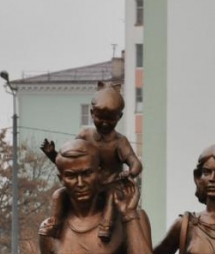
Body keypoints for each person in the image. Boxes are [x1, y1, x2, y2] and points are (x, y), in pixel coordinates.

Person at [40, 81, 143, 242]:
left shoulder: (119, 142)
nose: (104, 123)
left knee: (111, 195)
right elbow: (69, 163)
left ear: (119, 117)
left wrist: (129, 173)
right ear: (91, 113)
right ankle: (56, 223)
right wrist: (52, 154)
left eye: (110, 119)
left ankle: (106, 225)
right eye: (100, 117)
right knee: (59, 194)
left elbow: (136, 164)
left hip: (111, 184)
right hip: (88, 185)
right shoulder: (84, 135)